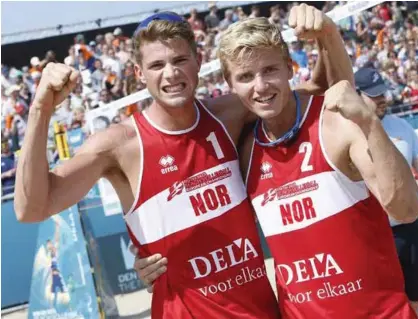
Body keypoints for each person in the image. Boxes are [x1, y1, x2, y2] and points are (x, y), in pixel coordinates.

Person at [14, 5, 354, 319]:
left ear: (198, 60)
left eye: (179, 60)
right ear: (139, 73)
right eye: (157, 65)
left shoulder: (228, 115)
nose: (171, 74)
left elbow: (326, 94)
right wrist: (40, 109)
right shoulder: (120, 145)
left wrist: (326, 33)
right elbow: (32, 208)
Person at [134, 12, 418, 319]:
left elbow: (406, 210)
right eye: (245, 77)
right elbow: (206, 220)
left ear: (289, 67)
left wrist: (368, 121)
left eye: (269, 70)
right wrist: (157, 266)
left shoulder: (335, 127)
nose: (260, 86)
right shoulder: (245, 151)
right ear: (230, 84)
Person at [354, 67, 418, 316]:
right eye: (374, 95)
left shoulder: (402, 126)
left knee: (414, 302)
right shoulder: (349, 133)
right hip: (372, 235)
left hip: (408, 229)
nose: (382, 99)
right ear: (357, 95)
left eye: (383, 93)